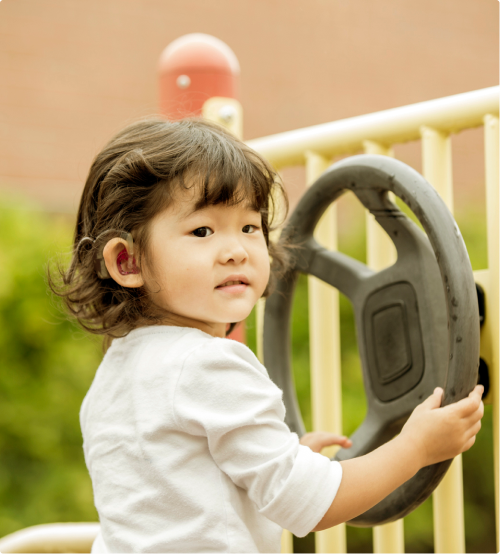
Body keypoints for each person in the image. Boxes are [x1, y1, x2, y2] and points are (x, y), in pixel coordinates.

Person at [52, 117, 484, 554]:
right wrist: (415, 447)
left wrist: (284, 456)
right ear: (127, 261)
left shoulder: (114, 375)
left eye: (249, 227)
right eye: (202, 231)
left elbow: (183, 497)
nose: (236, 250)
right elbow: (310, 506)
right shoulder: (209, 364)